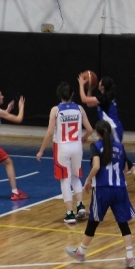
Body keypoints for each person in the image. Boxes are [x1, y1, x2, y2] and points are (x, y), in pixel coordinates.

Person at [65, 121, 135, 269]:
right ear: (110, 132)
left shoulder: (96, 146)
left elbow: (96, 166)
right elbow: (125, 169)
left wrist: (88, 180)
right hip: (120, 189)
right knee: (123, 223)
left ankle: (81, 252)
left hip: (103, 189)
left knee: (93, 221)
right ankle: (130, 257)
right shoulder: (120, 146)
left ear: (97, 133)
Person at [78, 73, 135, 190]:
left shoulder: (104, 99)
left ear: (102, 87)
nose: (98, 82)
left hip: (113, 130)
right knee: (115, 152)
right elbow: (89, 103)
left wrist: (81, 85)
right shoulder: (104, 96)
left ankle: (132, 177)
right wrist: (89, 88)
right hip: (110, 129)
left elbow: (84, 99)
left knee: (118, 153)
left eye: (100, 82)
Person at [36, 82, 94, 224]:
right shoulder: (79, 108)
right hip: (77, 146)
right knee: (75, 176)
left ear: (59, 95)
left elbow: (50, 133)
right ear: (72, 94)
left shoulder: (55, 110)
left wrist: (41, 150)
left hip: (62, 147)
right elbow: (90, 129)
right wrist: (85, 137)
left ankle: (70, 213)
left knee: (65, 180)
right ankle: (80, 205)